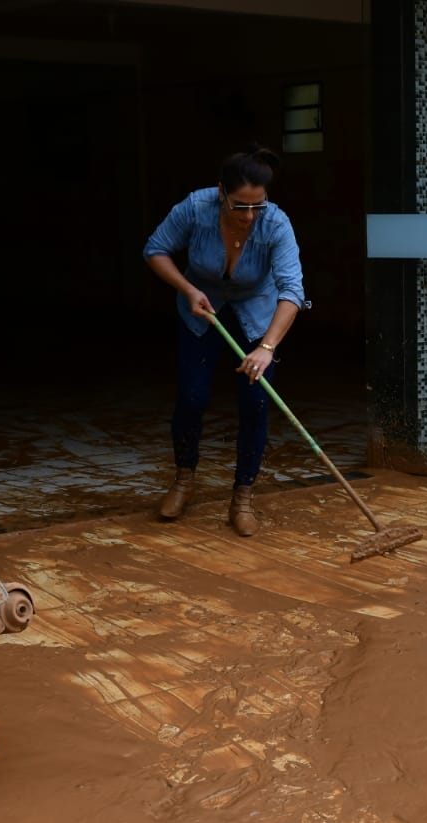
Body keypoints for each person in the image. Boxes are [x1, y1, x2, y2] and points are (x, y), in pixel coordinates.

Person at [143, 145, 304, 534]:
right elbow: (155, 249)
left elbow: (292, 291)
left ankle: (243, 496)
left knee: (255, 404)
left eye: (257, 206)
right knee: (192, 398)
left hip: (256, 317)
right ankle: (183, 479)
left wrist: (266, 349)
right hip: (203, 311)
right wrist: (186, 289)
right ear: (221, 193)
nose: (249, 216)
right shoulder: (195, 208)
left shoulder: (276, 224)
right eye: (239, 206)